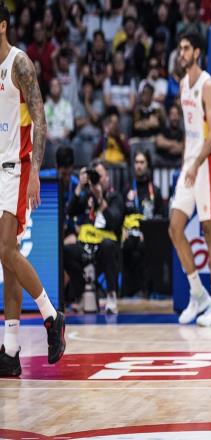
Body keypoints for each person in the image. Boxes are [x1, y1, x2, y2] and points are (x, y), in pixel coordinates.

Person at [0, 2, 66, 377]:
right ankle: (10, 350)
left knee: (6, 249)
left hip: (17, 166)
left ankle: (51, 316)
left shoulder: (20, 63)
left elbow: (39, 118)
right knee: (5, 257)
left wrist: (37, 169)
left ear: (2, 26)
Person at [168, 33, 211, 327]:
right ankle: (197, 293)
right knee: (175, 228)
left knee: (209, 230)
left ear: (197, 52)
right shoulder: (182, 85)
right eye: (180, 48)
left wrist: (197, 164)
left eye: (186, 48)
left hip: (206, 163)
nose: (182, 53)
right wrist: (186, 163)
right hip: (189, 163)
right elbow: (190, 131)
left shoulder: (208, 84)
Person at [64, 159, 124, 314]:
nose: (97, 180)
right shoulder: (87, 196)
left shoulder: (115, 197)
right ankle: (81, 294)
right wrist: (79, 186)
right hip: (86, 245)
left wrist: (100, 199)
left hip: (105, 248)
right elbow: (69, 212)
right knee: (65, 251)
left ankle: (111, 296)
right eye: (94, 176)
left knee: (108, 245)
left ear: (107, 177)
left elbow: (115, 223)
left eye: (100, 176)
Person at [122, 150, 164, 297]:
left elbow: (160, 216)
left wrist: (149, 232)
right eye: (136, 162)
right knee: (126, 246)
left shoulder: (155, 191)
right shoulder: (127, 189)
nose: (138, 166)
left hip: (147, 236)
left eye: (142, 162)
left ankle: (146, 291)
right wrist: (123, 231)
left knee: (145, 246)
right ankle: (126, 291)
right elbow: (120, 215)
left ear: (147, 165)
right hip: (129, 234)